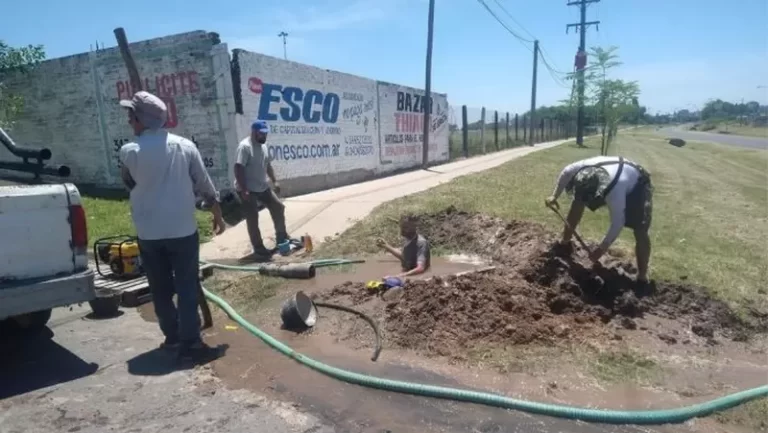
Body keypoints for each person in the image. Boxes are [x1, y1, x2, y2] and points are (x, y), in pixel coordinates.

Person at [118, 90, 226, 364]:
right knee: (187, 286)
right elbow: (204, 184)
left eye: (131, 114)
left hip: (149, 233)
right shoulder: (184, 147)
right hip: (181, 230)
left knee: (160, 288)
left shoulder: (129, 152)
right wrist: (217, 213)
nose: (129, 119)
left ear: (142, 119)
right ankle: (191, 342)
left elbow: (129, 183)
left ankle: (172, 337)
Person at [545, 155, 653, 284]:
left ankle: (642, 277)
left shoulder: (615, 193)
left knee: (640, 230)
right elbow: (566, 173)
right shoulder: (581, 169)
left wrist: (601, 249)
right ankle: (565, 243)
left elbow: (618, 223)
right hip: (615, 170)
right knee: (578, 202)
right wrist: (554, 195)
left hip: (637, 184)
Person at [234, 120, 289, 262]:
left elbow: (268, 164)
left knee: (278, 206)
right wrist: (244, 189)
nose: (265, 135)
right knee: (253, 218)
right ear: (254, 132)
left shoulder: (263, 146)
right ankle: (258, 249)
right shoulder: (245, 147)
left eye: (266, 133)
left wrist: (274, 180)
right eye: (262, 133)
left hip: (262, 187)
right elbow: (238, 169)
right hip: (247, 189)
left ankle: (282, 237)